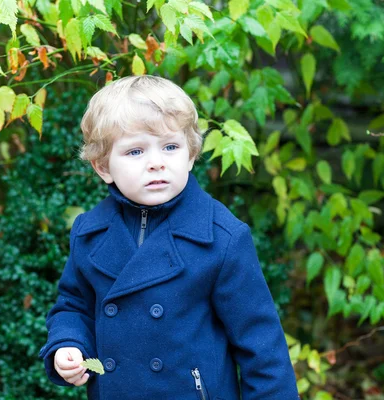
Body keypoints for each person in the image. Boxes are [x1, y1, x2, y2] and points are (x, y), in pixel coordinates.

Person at [38, 75, 299, 399]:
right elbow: (74, 305)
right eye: (135, 151)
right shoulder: (90, 233)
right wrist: (68, 343)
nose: (156, 163)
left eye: (170, 147)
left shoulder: (221, 238)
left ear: (190, 154)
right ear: (103, 166)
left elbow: (262, 347)